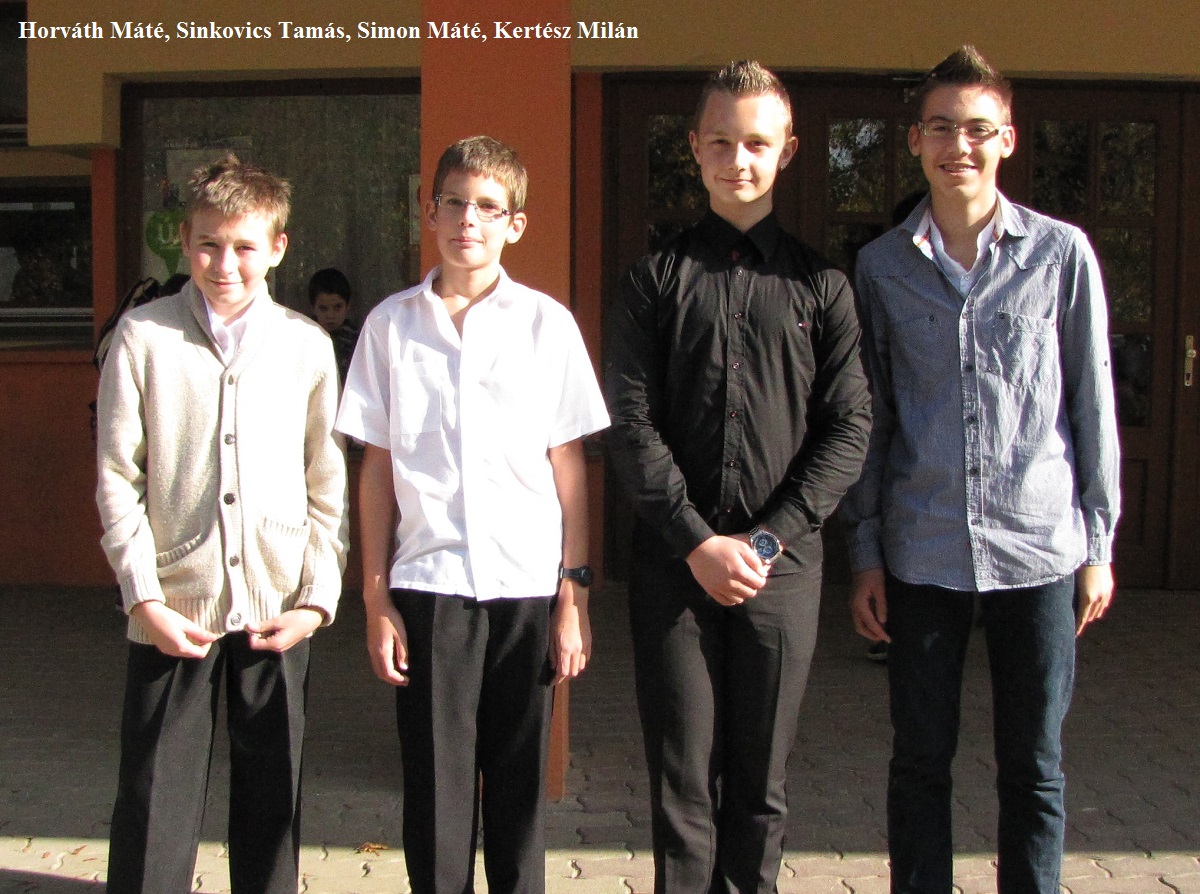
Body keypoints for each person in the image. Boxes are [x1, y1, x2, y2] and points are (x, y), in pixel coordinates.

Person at [842, 46, 1120, 894]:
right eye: (940, 128)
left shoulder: (1061, 255)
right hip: (921, 546)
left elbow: (1093, 403)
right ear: (915, 141)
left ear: (1006, 138)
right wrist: (865, 553)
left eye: (975, 128)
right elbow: (872, 418)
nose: (957, 145)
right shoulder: (881, 267)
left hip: (1039, 547)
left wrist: (1098, 545)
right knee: (920, 760)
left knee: (1033, 765)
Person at [604, 61, 871, 894]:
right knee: (682, 783)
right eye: (720, 142)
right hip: (674, 569)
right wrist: (697, 543)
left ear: (787, 151)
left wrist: (761, 542)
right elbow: (630, 425)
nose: (737, 159)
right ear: (694, 147)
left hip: (780, 571)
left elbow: (849, 429)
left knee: (760, 786)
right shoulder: (653, 280)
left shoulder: (822, 286)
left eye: (756, 143)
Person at [336, 135, 609, 894]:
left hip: (526, 589)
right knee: (434, 793)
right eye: (454, 203)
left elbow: (569, 468)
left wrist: (573, 598)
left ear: (515, 223)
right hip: (430, 589)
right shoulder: (390, 327)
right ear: (429, 213)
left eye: (488, 207)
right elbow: (377, 469)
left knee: (519, 794)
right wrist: (376, 599)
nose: (468, 220)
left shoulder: (546, 325)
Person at [96, 155, 349, 894]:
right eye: (208, 244)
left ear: (277, 247)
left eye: (243, 246)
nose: (224, 263)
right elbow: (117, 475)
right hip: (174, 604)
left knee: (272, 801)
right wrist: (143, 598)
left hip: (278, 607)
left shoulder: (306, 345)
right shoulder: (143, 337)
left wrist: (316, 599)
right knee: (155, 799)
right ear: (184, 241)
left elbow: (326, 478)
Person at [308, 266, 359, 388]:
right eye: (323, 308)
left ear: (348, 306)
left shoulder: (358, 342)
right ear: (313, 308)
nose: (330, 315)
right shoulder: (306, 339)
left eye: (337, 307)